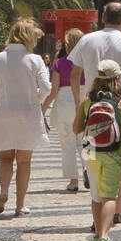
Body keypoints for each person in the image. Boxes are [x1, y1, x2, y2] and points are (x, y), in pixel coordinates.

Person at [69, 2, 121, 225]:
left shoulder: (86, 40)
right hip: (120, 107)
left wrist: (80, 102)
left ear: (103, 17)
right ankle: (117, 209)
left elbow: (74, 73)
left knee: (94, 161)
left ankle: (98, 216)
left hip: (92, 107)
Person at [0, 18, 52, 218]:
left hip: (4, 113)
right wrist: (36, 98)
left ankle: (4, 191)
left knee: (5, 157)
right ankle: (20, 205)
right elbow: (47, 88)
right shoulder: (35, 60)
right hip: (28, 114)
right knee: (24, 161)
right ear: (29, 38)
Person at [74, 60, 121, 241]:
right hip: (114, 152)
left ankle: (97, 233)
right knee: (109, 196)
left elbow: (76, 128)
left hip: (90, 151)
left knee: (95, 195)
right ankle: (104, 237)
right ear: (116, 78)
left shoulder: (87, 100)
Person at [44, 28, 85, 193]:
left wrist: (42, 109)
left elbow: (53, 91)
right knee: (85, 143)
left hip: (64, 105)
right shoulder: (87, 62)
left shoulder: (59, 63)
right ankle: (88, 170)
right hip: (83, 102)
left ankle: (73, 181)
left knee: (67, 144)